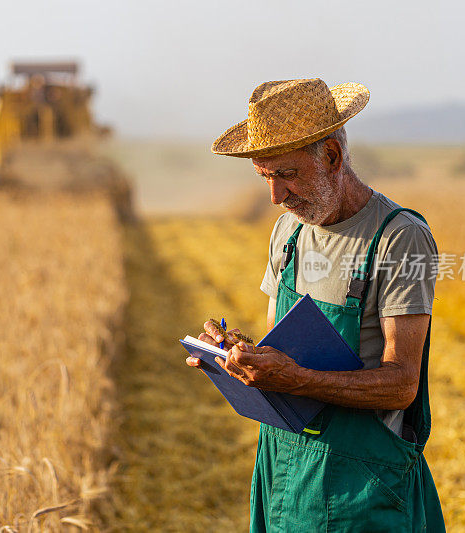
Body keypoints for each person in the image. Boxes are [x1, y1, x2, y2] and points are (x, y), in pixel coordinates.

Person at [186, 78, 446, 531]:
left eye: (286, 174)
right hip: (284, 469)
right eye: (265, 177)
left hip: (361, 484)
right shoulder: (289, 234)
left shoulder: (399, 238)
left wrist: (297, 379)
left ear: (331, 157)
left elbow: (402, 385)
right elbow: (278, 348)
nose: (275, 197)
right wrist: (236, 353)